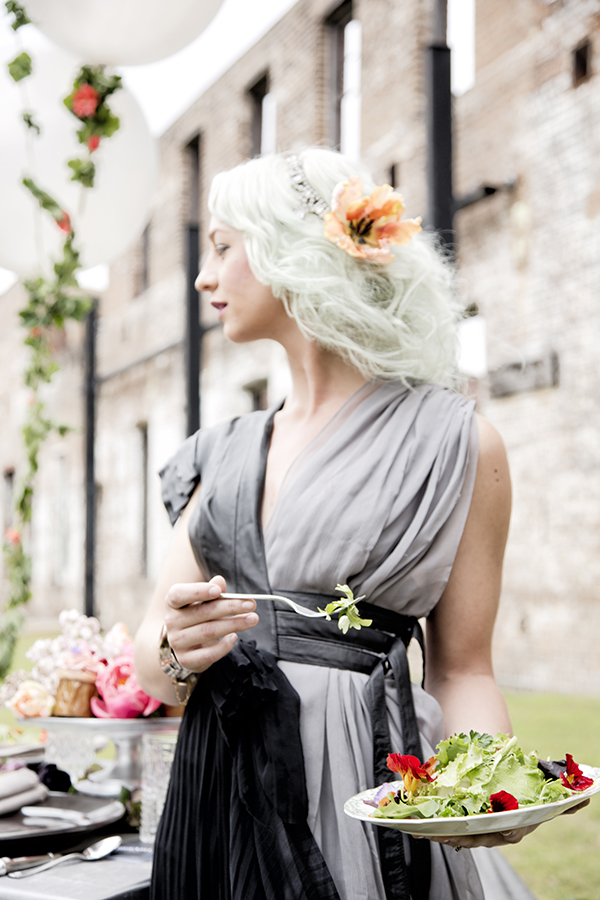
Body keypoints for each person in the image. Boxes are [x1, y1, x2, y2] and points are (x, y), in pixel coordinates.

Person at [134, 148, 560, 900]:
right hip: (216, 792)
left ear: (290, 254)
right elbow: (153, 670)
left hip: (361, 803)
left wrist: (486, 787)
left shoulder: (457, 443)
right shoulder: (215, 454)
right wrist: (173, 652)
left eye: (223, 249)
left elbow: (464, 668)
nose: (205, 278)